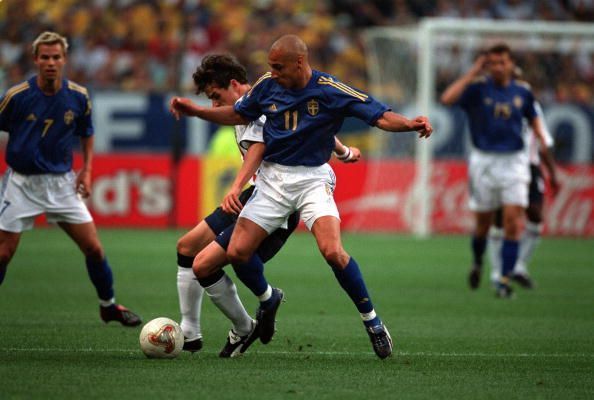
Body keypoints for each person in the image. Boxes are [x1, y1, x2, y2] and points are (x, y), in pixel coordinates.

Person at [170, 34, 432, 359]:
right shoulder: (268, 86)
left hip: (312, 179)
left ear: (299, 62)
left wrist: (410, 123)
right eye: (270, 67)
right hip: (272, 182)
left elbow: (379, 116)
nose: (272, 72)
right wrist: (195, 111)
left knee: (333, 252)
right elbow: (238, 114)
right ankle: (267, 301)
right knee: (237, 253)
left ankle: (373, 322)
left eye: (278, 67)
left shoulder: (331, 90)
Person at [173, 54, 361, 357]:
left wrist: (235, 186)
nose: (214, 106)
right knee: (188, 247)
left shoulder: (257, 104)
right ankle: (192, 331)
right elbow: (312, 123)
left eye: (216, 97)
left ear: (233, 84)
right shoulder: (259, 98)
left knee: (205, 262)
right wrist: (342, 151)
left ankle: (249, 318)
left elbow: (259, 147)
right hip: (254, 192)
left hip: (274, 196)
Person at [0, 32, 141, 326]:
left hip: (62, 184)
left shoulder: (78, 96)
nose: (50, 63)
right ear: (35, 60)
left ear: (64, 60)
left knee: (94, 248)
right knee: (3, 253)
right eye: (45, 57)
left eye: (56, 57)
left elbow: (87, 133)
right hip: (21, 183)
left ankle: (108, 306)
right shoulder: (17, 97)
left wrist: (87, 170)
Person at [440, 43, 557, 298]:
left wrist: (543, 149)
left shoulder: (523, 92)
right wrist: (473, 71)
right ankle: (478, 261)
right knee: (483, 225)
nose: (497, 67)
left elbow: (536, 123)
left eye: (502, 62)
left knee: (513, 221)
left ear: (511, 64)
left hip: (515, 162)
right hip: (484, 162)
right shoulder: (477, 89)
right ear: (486, 65)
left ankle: (503, 280)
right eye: (492, 63)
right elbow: (447, 99)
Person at [488, 98, 559, 288]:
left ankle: (518, 265)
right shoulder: (494, 102)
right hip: (505, 164)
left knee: (535, 215)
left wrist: (552, 173)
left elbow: (543, 139)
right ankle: (497, 271)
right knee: (500, 217)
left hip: (530, 165)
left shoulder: (532, 106)